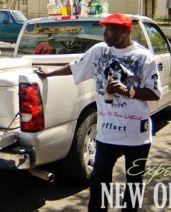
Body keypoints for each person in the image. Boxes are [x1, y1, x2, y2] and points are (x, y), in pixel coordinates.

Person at [35, 13, 162, 211]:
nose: (104, 34)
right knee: (99, 179)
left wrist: (127, 90)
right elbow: (75, 66)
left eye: (110, 30)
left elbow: (155, 93)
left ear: (125, 32)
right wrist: (49, 73)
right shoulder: (99, 51)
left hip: (136, 135)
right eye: (104, 29)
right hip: (107, 133)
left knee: (134, 181)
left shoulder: (144, 57)